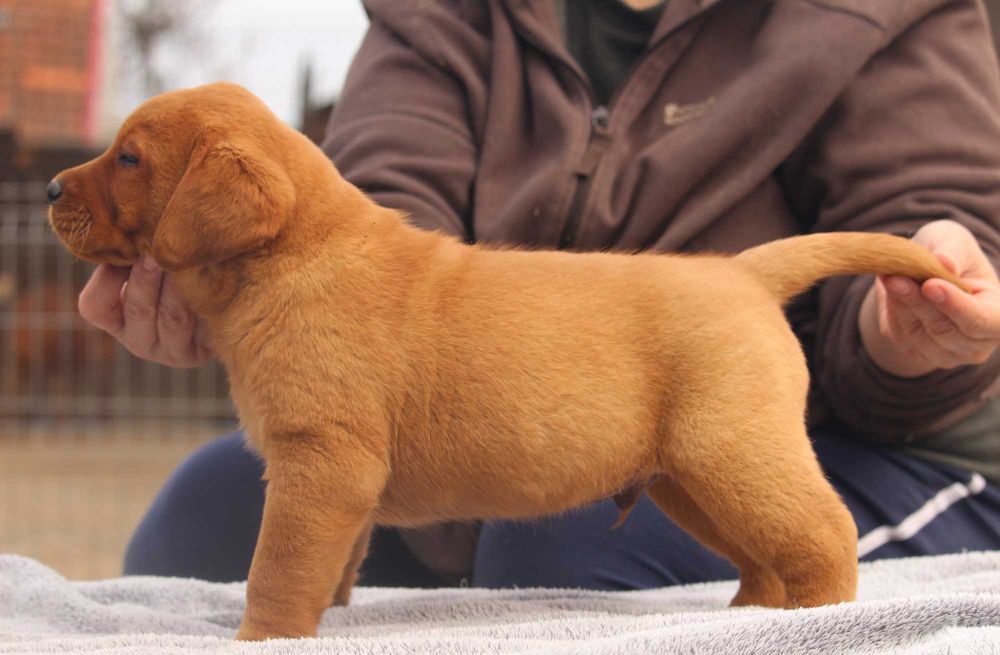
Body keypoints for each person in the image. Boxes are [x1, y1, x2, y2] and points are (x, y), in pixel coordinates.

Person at [80, 0, 1000, 589]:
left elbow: (934, 206)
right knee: (202, 518)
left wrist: (907, 325)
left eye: (126, 164)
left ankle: (815, 586)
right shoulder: (435, 15)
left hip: (884, 429)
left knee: (560, 550)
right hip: (509, 418)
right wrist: (242, 288)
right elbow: (380, 211)